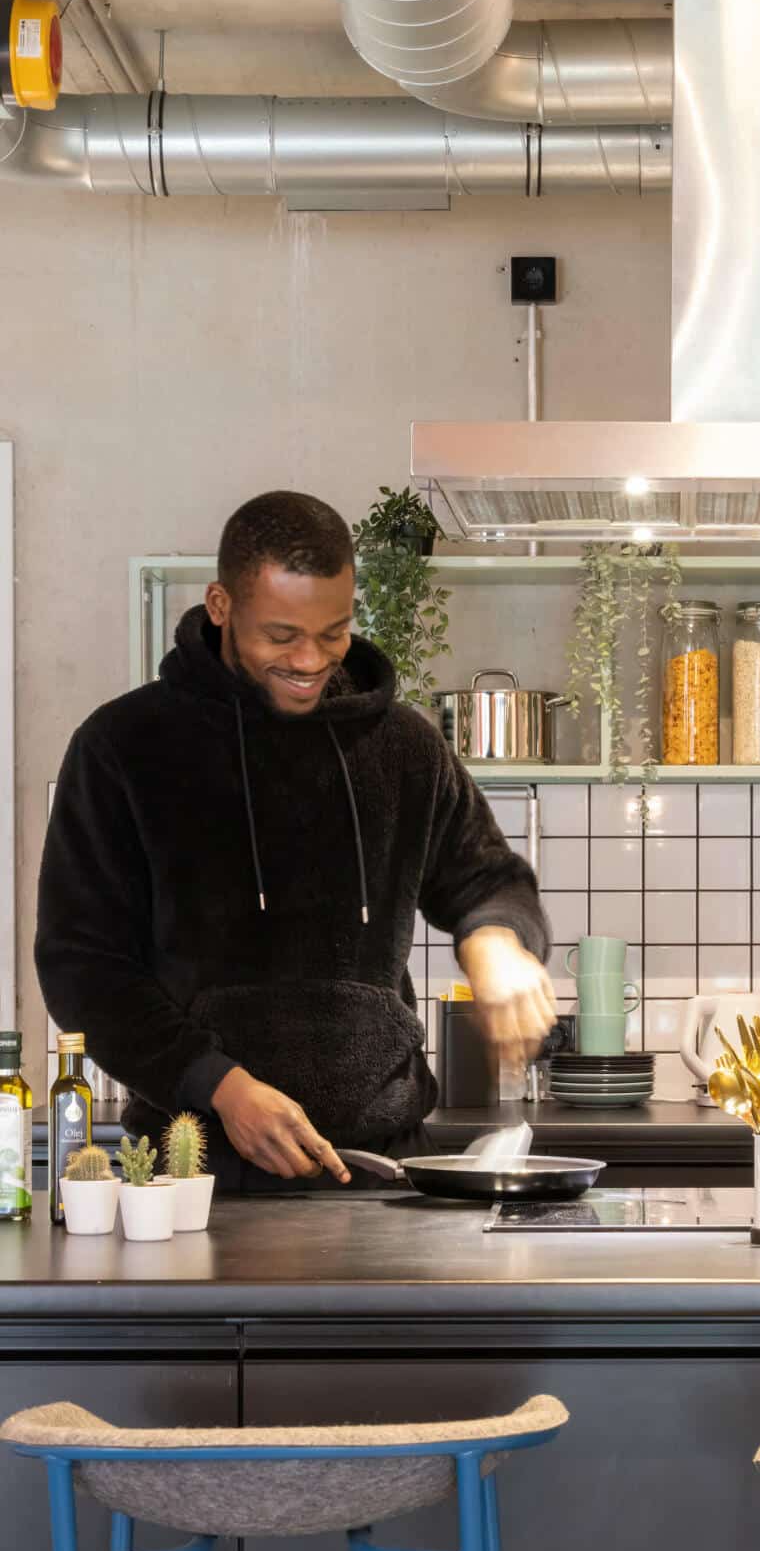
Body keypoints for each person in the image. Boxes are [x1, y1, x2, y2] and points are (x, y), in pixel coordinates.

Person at [36, 490, 556, 1190]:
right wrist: (217, 1085)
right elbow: (82, 967)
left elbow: (485, 879)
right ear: (222, 606)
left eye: (334, 631)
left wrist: (496, 939)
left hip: (382, 1171)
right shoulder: (125, 747)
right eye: (281, 636)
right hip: (193, 1174)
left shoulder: (401, 745)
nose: (311, 660)